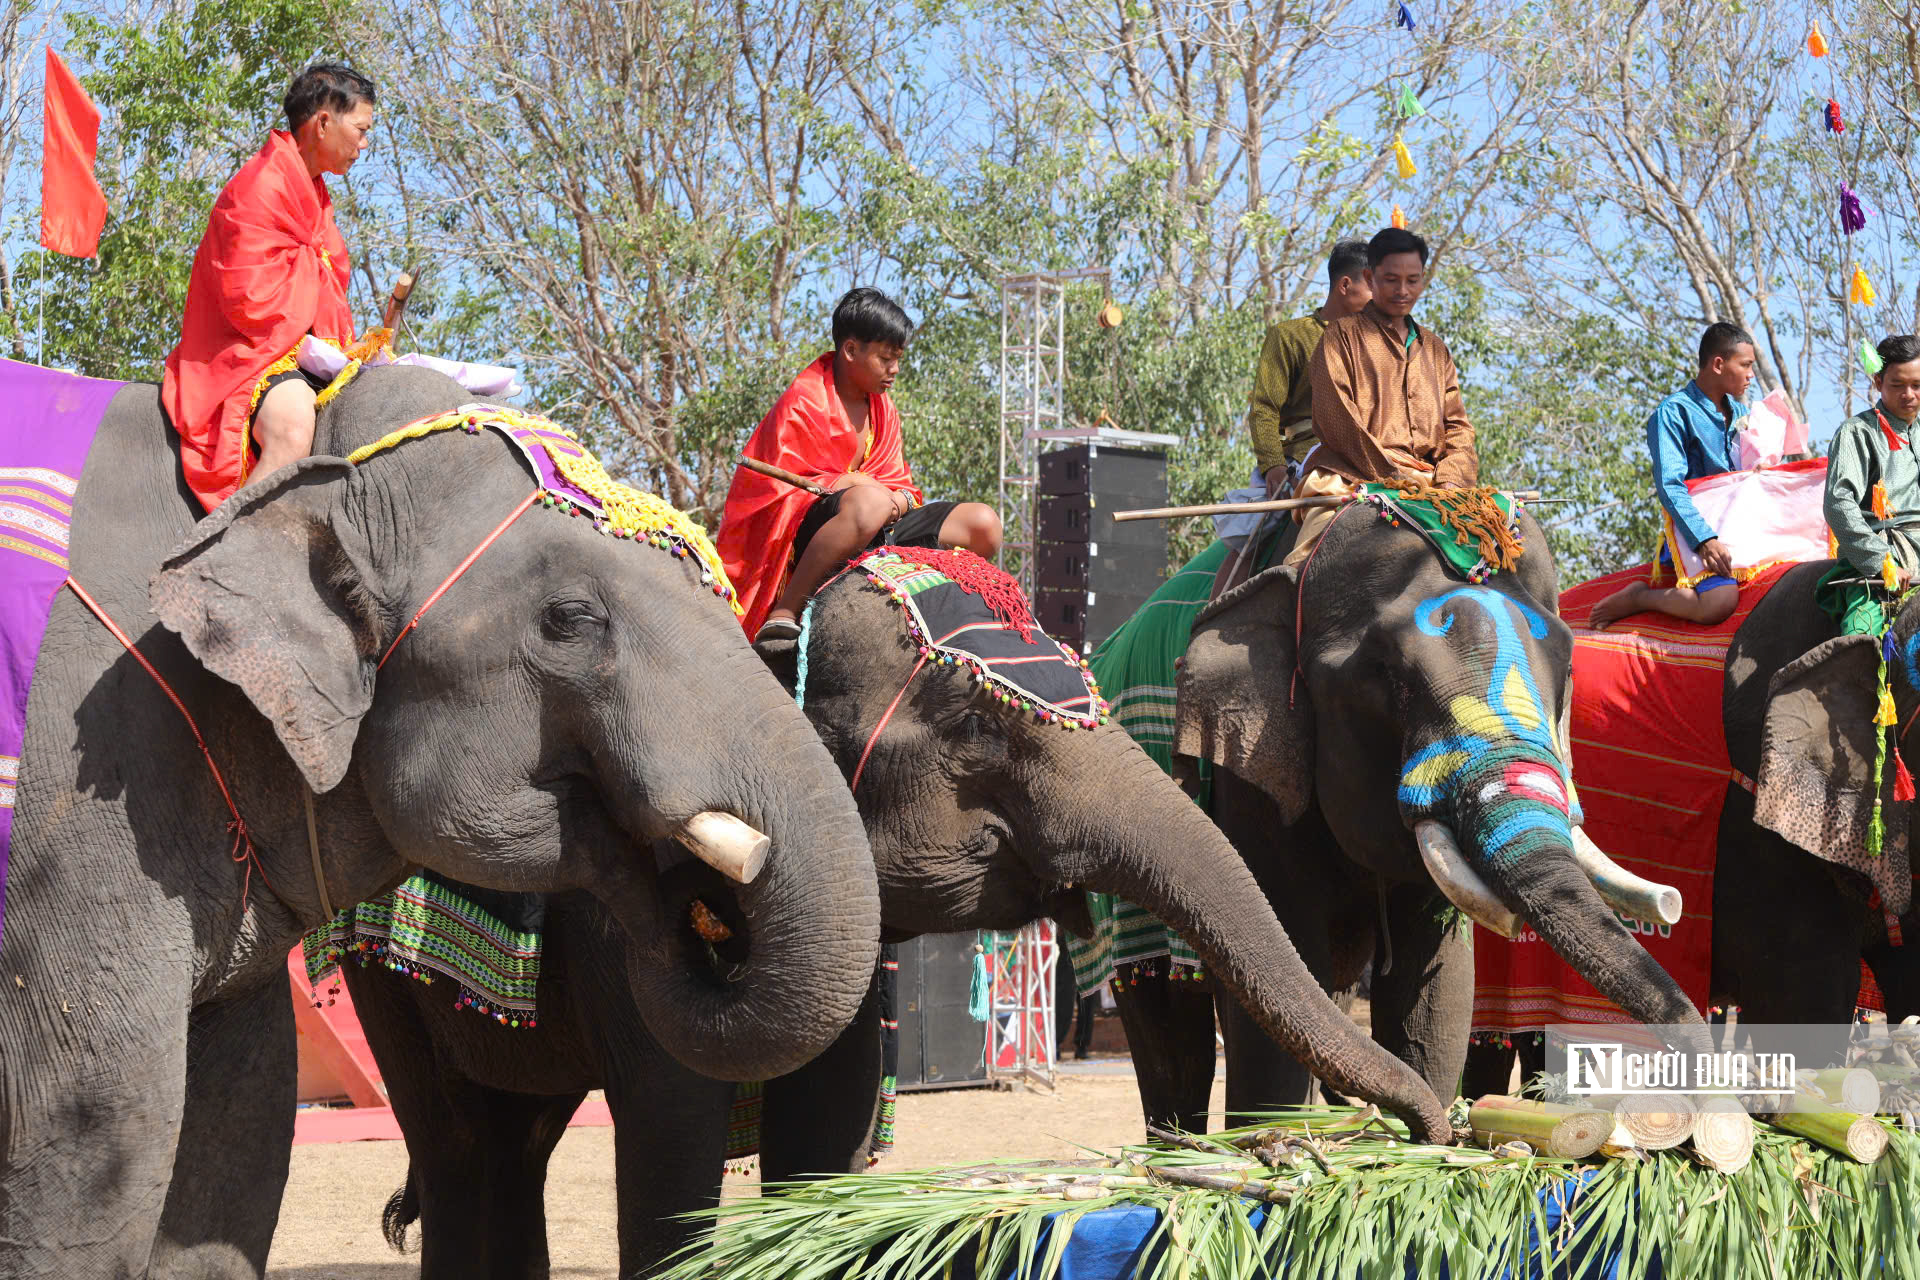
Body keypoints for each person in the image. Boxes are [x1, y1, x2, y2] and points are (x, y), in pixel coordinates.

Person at [717, 288, 1002, 642]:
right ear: (851, 350)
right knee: (869, 503)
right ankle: (786, 610)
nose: (894, 369)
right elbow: (773, 495)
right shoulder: (804, 401)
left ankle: (935, 609)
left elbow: (902, 486)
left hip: (883, 518)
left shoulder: (884, 409)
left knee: (983, 524)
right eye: (885, 358)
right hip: (816, 529)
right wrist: (848, 483)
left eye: (898, 358)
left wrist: (891, 498)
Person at [162, 64, 375, 513]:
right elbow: (251, 304)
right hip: (245, 353)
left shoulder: (316, 194)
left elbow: (325, 280)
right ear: (322, 124)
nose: (364, 144)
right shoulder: (257, 187)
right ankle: (218, 562)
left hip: (298, 349)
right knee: (292, 428)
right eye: (360, 129)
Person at [1284, 227, 1476, 566]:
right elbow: (1339, 422)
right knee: (1308, 561)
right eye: (1391, 280)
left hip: (1436, 484)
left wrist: (1450, 482)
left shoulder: (1435, 350)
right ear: (1371, 279)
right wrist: (1397, 479)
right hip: (1351, 476)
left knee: (1506, 545)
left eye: (1412, 280)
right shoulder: (1339, 337)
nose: (1403, 291)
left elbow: (1458, 428)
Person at [1587, 323, 1756, 630]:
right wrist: (1704, 540)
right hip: (1696, 530)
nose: (1751, 375)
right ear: (1718, 364)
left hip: (1742, 525)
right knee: (1720, 602)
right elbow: (1670, 485)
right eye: (1745, 365)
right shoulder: (1673, 413)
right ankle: (1641, 597)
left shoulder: (1745, 415)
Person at [1246, 238, 1373, 498]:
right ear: (1345, 285)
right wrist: (1273, 465)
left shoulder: (1381, 347)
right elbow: (1264, 408)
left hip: (1375, 457)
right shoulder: (1289, 336)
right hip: (1310, 456)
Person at [1819, 334, 1920, 635]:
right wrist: (1881, 561)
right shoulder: (1856, 432)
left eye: (1917, 385)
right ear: (1878, 382)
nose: (1910, 394)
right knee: (1859, 638)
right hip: (1883, 557)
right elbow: (1838, 503)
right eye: (1897, 385)